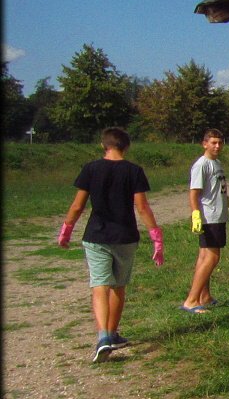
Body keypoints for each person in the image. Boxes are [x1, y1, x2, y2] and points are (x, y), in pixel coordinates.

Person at [58, 127, 164, 362]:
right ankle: (112, 333)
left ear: (103, 145)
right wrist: (156, 236)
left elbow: (77, 206)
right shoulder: (134, 171)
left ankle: (104, 336)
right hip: (125, 237)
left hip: (96, 236)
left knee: (100, 285)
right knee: (118, 286)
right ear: (127, 147)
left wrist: (66, 231)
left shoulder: (90, 169)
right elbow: (142, 207)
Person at [181, 129, 229, 313]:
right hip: (209, 217)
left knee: (204, 256)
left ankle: (204, 296)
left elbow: (220, 193)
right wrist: (196, 214)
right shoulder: (201, 165)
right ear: (205, 144)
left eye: (220, 142)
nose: (217, 146)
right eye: (213, 142)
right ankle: (191, 300)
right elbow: (194, 193)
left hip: (218, 215)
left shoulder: (217, 164)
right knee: (212, 257)